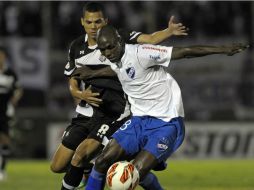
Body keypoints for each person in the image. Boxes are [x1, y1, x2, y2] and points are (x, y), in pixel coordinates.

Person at [84, 25, 249, 190]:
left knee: (134, 174)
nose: (107, 53)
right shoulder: (114, 59)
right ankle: (154, 160)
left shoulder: (141, 53)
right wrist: (91, 73)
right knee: (101, 161)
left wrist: (222, 50)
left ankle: (154, 159)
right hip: (138, 121)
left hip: (166, 123)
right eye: (103, 49)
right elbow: (116, 70)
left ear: (119, 41)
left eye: (110, 47)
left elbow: (184, 52)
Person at [49, 2, 188, 190]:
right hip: (86, 113)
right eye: (89, 22)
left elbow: (150, 39)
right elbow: (73, 79)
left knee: (83, 155)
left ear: (105, 21)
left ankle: (135, 165)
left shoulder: (117, 38)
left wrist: (169, 31)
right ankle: (90, 171)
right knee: (57, 166)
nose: (94, 26)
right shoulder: (76, 47)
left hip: (114, 112)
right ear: (82, 22)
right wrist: (79, 93)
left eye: (98, 21)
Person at [0, 46, 23, 181]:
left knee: (5, 140)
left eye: (1, 56)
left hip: (4, 111)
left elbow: (18, 89)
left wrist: (14, 100)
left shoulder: (10, 74)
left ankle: (2, 170)